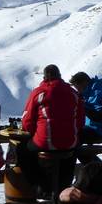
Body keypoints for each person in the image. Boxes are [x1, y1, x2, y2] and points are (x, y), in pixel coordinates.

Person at [18, 65, 84, 195]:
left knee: (22, 150)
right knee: (72, 150)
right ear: (59, 76)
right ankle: (64, 187)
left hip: (46, 141)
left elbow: (27, 121)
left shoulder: (39, 92)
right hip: (69, 142)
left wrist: (33, 132)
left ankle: (39, 185)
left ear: (44, 77)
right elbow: (80, 120)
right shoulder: (73, 93)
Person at [69, 72, 102, 144]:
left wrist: (81, 106)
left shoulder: (98, 93)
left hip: (99, 131)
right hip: (92, 128)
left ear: (84, 83)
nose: (78, 91)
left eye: (78, 88)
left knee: (69, 136)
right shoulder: (89, 93)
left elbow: (99, 117)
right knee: (68, 132)